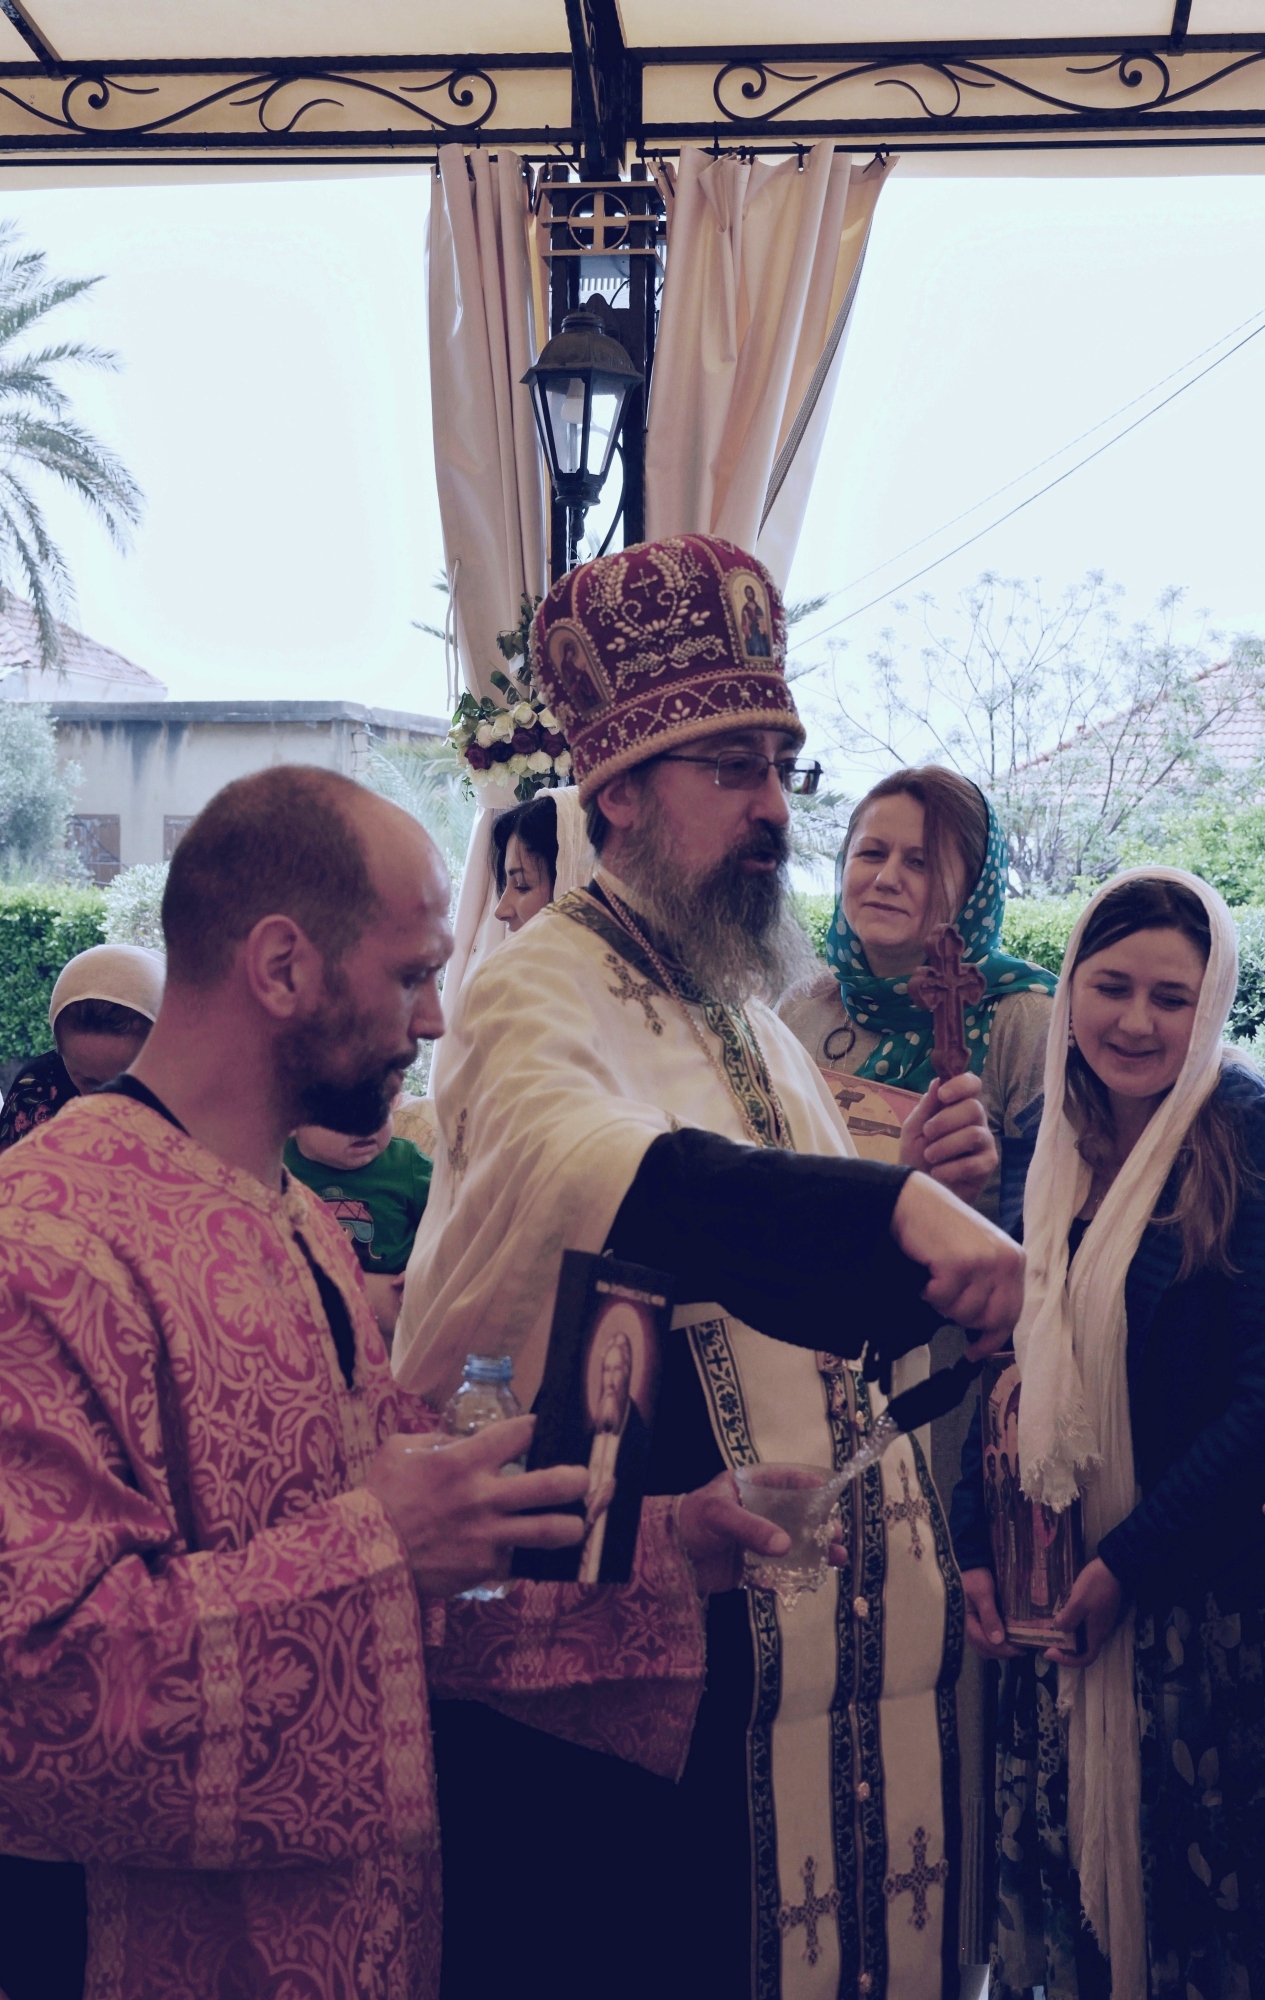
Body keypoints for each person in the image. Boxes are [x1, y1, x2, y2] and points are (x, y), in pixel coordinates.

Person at [0, 763, 791, 2000]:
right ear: (281, 967)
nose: (434, 1018)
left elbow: (428, 1560)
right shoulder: (44, 1242)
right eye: (414, 972)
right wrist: (378, 1549)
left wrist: (660, 1541)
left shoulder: (300, 1221)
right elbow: (31, 1697)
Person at [394, 533, 1026, 2000]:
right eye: (731, 766)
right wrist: (891, 1223)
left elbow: (791, 1268)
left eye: (781, 767)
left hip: (774, 1641)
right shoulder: (535, 987)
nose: (772, 809)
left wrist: (915, 1228)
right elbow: (583, 1165)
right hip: (606, 1659)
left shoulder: (743, 1013)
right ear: (617, 790)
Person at [950, 870, 1265, 2000]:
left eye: (1170, 997)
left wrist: (1125, 1565)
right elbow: (989, 1368)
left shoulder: (1240, 1134)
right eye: (1111, 985)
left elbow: (1256, 1397)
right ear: (1069, 989)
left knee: (1186, 1921)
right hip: (1053, 1610)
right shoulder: (1044, 1142)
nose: (1135, 1021)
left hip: (1186, 1620)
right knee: (1071, 1925)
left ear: (1211, 1000)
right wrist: (972, 1550)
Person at [782, 767, 1056, 1214]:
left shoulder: (1025, 1020)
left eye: (919, 862)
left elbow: (1052, 1215)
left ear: (975, 888)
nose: (887, 878)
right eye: (871, 853)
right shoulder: (802, 1008)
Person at [284, 1105, 433, 1344]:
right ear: (291, 1118)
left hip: (393, 1328)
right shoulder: (275, 1166)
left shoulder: (408, 1164)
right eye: (342, 1110)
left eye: (379, 1106)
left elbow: (451, 1225)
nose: (366, 1124)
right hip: (305, 1331)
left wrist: (430, 1265)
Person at [0, 941, 164, 1151]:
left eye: (127, 1080)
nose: (106, 1099)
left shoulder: (198, 1106)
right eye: (90, 1082)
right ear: (60, 1052)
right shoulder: (36, 1091)